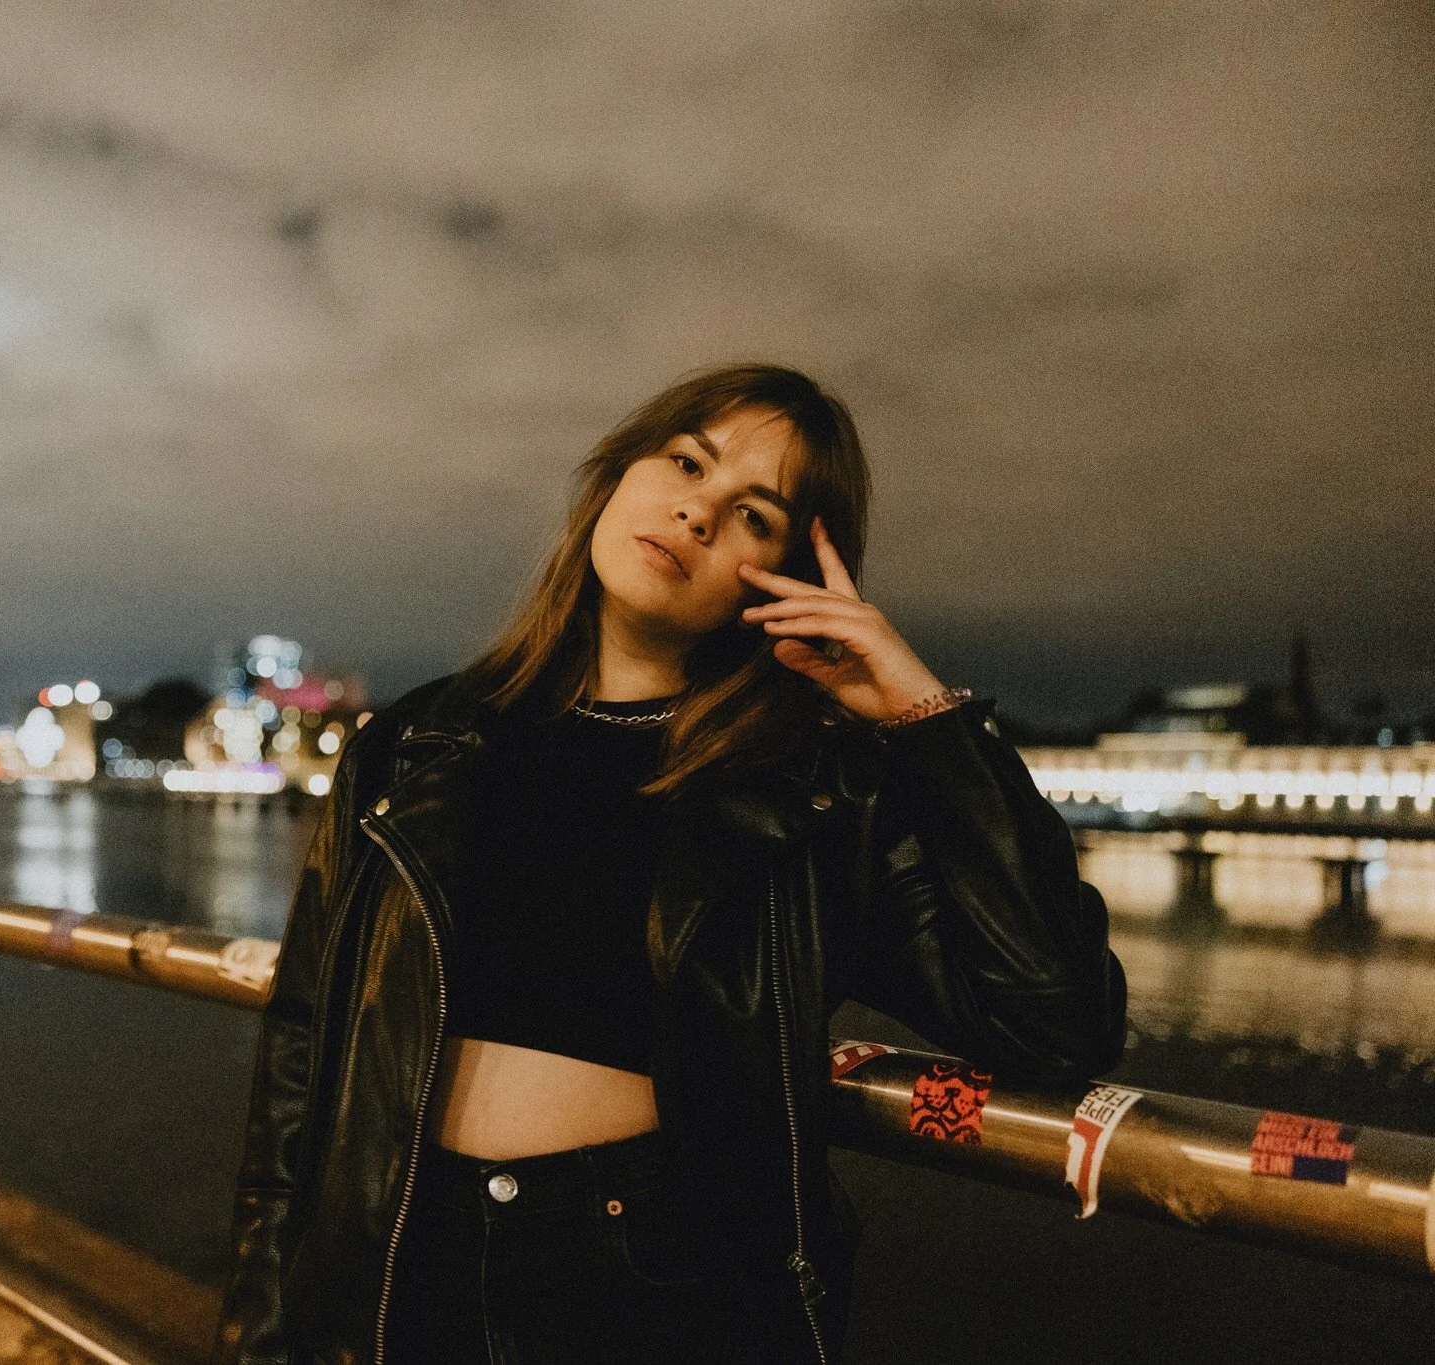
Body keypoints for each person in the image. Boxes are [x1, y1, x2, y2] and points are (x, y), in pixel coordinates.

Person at [213, 362, 1128, 1365]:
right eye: (685, 463)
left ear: (787, 583)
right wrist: (259, 1326)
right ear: (613, 477)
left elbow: (1054, 1021)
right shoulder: (417, 748)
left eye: (754, 518)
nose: (697, 513)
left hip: (647, 1286)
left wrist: (926, 722)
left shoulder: (808, 790)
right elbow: (303, 1050)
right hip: (394, 1258)